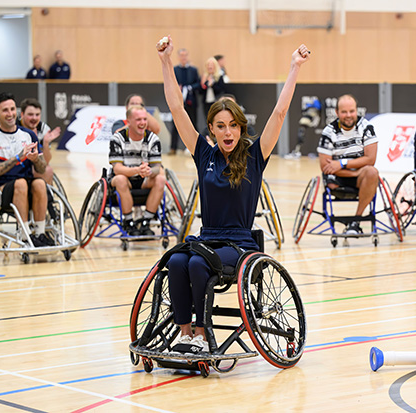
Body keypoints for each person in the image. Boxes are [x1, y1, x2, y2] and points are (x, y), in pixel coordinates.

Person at [157, 35, 309, 353]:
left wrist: (294, 67)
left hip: (240, 245)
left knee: (198, 264)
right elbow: (175, 106)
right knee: (177, 260)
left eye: (233, 126)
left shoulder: (254, 156)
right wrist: (166, 61)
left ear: (240, 128)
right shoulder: (203, 154)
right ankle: (185, 334)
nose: (228, 132)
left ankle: (202, 332)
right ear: (211, 129)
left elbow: (280, 113)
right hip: (208, 238)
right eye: (221, 126)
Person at [0, 92, 53, 247]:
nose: (10, 114)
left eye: (12, 109)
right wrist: (17, 158)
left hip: (27, 184)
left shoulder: (28, 135)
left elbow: (41, 168)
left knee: (40, 183)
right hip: (1, 189)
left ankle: (40, 234)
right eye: (5, 110)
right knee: (20, 183)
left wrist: (36, 160)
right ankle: (25, 235)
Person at [317, 94, 379, 235]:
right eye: (344, 112)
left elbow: (370, 159)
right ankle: (354, 222)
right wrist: (354, 169)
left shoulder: (366, 127)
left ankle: (355, 221)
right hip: (338, 178)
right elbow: (325, 166)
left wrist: (341, 163)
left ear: (357, 111)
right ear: (337, 113)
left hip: (360, 177)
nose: (348, 115)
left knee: (372, 172)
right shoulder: (328, 132)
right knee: (332, 176)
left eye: (351, 111)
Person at [108, 105, 165, 237]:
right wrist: (137, 170)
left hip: (144, 179)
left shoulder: (153, 139)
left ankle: (145, 221)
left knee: (161, 179)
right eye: (138, 119)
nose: (143, 123)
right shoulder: (117, 139)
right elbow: (117, 169)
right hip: (124, 179)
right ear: (128, 121)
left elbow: (157, 168)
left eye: (145, 119)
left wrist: (150, 172)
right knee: (121, 179)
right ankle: (129, 222)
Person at [19, 98, 61, 185]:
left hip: (35, 165)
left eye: (37, 114)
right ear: (22, 114)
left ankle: (47, 197)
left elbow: (46, 162)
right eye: (30, 114)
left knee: (48, 170)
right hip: (16, 165)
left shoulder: (43, 129)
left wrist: (45, 143)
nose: (34, 118)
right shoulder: (14, 127)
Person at [170, 48, 200, 155]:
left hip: (191, 101)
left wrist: (190, 87)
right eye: (181, 55)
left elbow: (198, 83)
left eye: (185, 55)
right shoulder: (175, 69)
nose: (183, 57)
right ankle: (173, 148)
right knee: (175, 125)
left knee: (193, 124)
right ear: (178, 57)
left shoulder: (193, 70)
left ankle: (196, 147)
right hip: (178, 102)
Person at [200, 57, 227, 122]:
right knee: (207, 119)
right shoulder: (204, 77)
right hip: (206, 102)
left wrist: (212, 85)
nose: (210, 67)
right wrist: (205, 84)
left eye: (211, 65)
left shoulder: (219, 77)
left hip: (216, 101)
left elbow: (221, 90)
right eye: (208, 65)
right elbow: (200, 91)